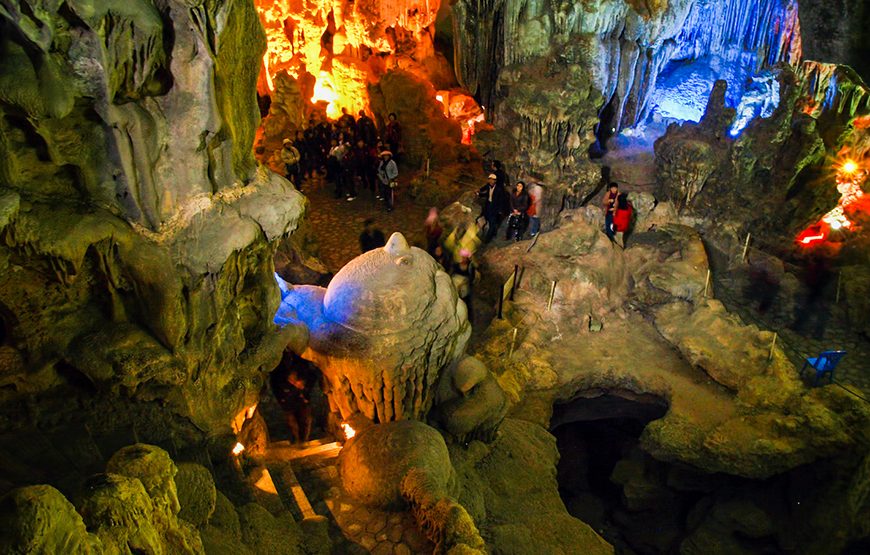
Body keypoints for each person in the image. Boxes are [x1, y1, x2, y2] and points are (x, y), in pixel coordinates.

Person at [270, 350, 315, 444]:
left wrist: (305, 391)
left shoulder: (301, 364)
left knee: (305, 419)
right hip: (288, 401)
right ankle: (297, 439)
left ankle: (304, 440)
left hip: (301, 399)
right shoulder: (280, 374)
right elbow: (276, 384)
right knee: (292, 421)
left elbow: (311, 377)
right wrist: (282, 399)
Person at [478, 173, 509, 243]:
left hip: (495, 207)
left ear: (495, 181)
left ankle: (487, 239)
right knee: (489, 220)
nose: (491, 181)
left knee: (492, 223)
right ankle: (493, 233)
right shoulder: (488, 186)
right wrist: (479, 193)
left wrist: (500, 210)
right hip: (489, 205)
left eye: (493, 180)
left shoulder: (499, 189)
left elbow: (501, 200)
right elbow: (487, 194)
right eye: (490, 180)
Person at [451, 249, 477, 323]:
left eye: (465, 258)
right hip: (457, 286)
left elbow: (471, 278)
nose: (464, 259)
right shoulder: (456, 265)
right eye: (463, 257)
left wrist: (465, 282)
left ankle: (468, 319)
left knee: (467, 303)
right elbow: (453, 274)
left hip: (465, 288)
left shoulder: (470, 267)